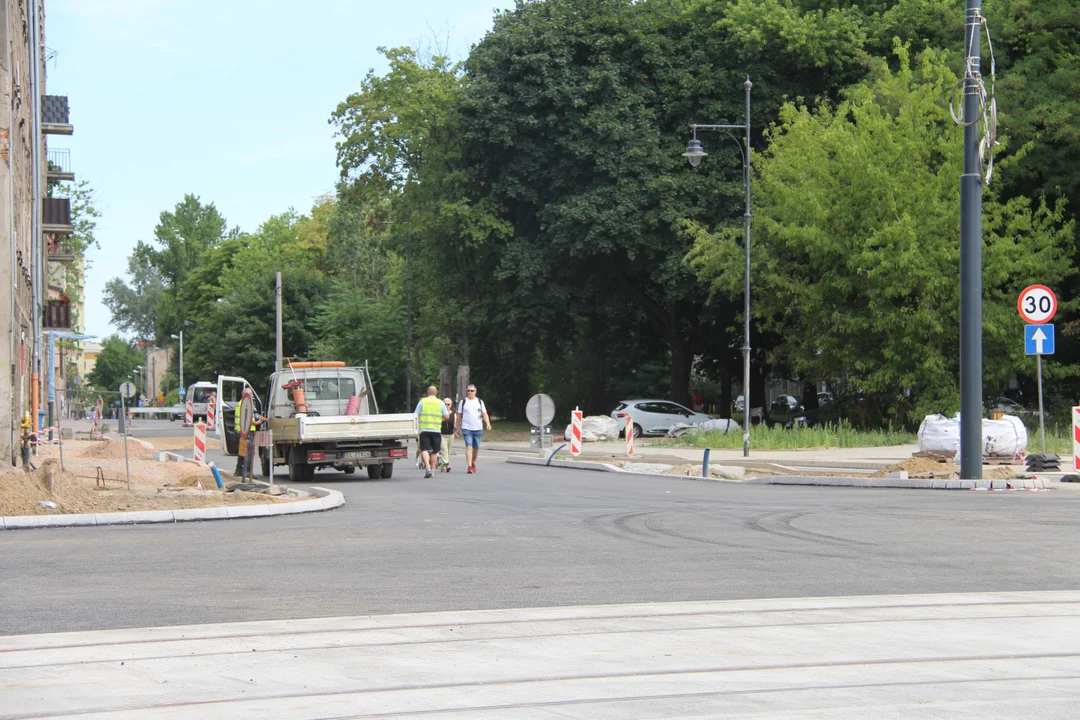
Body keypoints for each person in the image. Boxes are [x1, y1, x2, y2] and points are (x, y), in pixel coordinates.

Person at [414, 385, 449, 479]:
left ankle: (428, 468)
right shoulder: (440, 403)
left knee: (424, 450)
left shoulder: (422, 401)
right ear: (436, 393)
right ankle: (433, 471)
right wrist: (440, 418)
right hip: (436, 430)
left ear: (427, 392)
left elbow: (415, 415)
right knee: (434, 451)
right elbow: (447, 416)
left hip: (424, 430)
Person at [455, 384, 491, 474]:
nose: (470, 392)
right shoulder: (463, 402)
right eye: (468, 391)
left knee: (476, 448)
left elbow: (484, 413)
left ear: (475, 391)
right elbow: (459, 415)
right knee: (468, 446)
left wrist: (488, 423)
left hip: (478, 428)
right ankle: (469, 466)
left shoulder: (479, 401)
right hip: (467, 428)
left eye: (472, 391)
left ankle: (473, 462)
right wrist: (457, 427)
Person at [234, 393, 266, 478]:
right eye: (250, 394)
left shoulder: (245, 403)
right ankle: (247, 472)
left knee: (242, 451)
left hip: (242, 430)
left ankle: (239, 470)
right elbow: (247, 417)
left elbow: (255, 415)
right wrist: (256, 423)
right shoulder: (245, 404)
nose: (252, 396)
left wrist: (266, 419)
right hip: (246, 430)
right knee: (249, 452)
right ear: (245, 395)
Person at [438, 397, 455, 472]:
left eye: (448, 404)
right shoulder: (439, 414)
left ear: (451, 405)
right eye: (445, 404)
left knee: (448, 451)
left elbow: (455, 424)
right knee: (444, 450)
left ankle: (442, 466)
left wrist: (457, 430)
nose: (446, 406)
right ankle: (447, 464)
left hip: (450, 435)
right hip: (442, 435)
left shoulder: (453, 414)